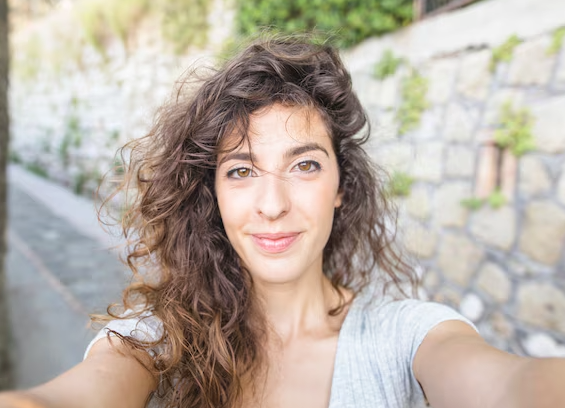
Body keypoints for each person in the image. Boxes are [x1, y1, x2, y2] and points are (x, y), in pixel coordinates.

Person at [1, 34, 565, 408]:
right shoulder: (160, 339)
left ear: (341, 187)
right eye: (242, 171)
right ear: (213, 196)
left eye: (304, 165)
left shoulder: (406, 337)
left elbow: (510, 388)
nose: (272, 204)